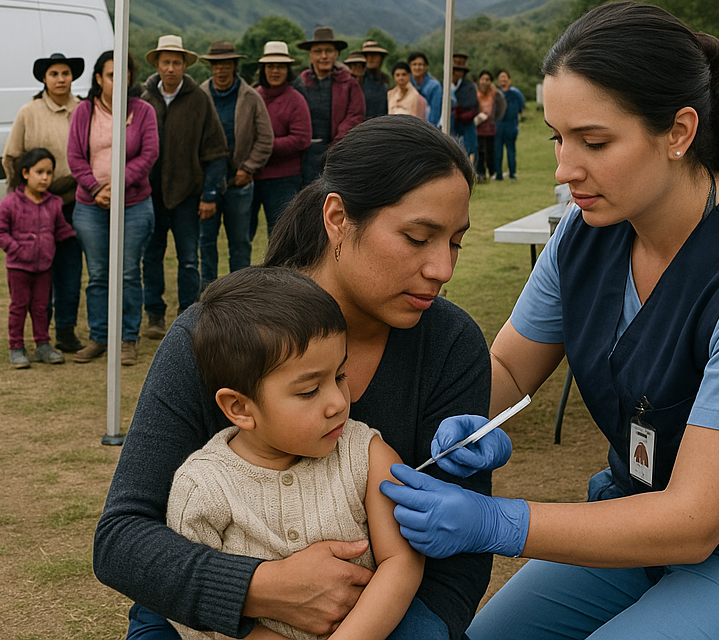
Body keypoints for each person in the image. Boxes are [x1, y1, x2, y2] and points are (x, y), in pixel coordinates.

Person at [381, 1, 719, 640]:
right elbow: (506, 369)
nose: (564, 169)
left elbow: (694, 520)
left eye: (595, 142)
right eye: (558, 137)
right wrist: (454, 425)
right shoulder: (585, 232)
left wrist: (497, 522)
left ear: (679, 132)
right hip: (636, 518)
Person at [93, 116, 493, 640]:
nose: (442, 268)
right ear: (337, 218)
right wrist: (261, 587)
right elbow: (123, 537)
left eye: (456, 242)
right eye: (418, 237)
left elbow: (453, 569)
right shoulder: (216, 334)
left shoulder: (451, 346)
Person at [165, 266, 424, 640]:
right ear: (239, 408)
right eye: (308, 391)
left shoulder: (366, 454)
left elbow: (402, 561)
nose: (337, 402)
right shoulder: (202, 488)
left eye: (340, 376)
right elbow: (193, 607)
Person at [68, 51, 159, 366]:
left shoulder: (143, 111)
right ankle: (99, 337)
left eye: (124, 74)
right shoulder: (83, 112)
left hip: (133, 204)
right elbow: (74, 157)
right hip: (91, 206)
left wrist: (117, 185)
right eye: (110, 75)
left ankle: (128, 339)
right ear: (98, 79)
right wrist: (96, 188)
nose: (117, 80)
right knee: (97, 274)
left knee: (129, 273)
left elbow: (148, 154)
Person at [141, 35, 228, 335]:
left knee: (189, 258)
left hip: (188, 194)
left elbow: (216, 151)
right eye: (166, 62)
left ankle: (187, 316)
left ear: (184, 65)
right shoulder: (144, 99)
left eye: (176, 62)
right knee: (150, 256)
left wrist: (210, 194)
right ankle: (153, 315)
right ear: (157, 64)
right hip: (149, 195)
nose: (171, 68)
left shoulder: (199, 99)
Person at [1, 51, 86, 352]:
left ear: (73, 76)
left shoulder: (84, 109)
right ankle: (42, 336)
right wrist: (22, 198)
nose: (61, 79)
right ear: (44, 79)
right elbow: (11, 156)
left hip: (76, 200)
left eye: (65, 73)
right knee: (37, 272)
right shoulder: (29, 111)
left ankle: (65, 331)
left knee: (70, 269)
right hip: (35, 203)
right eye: (54, 74)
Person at [198, 41, 274, 287]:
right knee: (206, 241)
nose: (221, 70)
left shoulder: (251, 97)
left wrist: (249, 167)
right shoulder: (200, 95)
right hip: (207, 183)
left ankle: (239, 296)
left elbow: (265, 138)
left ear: (234, 65)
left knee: (240, 242)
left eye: (226, 64)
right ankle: (207, 297)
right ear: (210, 67)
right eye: (216, 65)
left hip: (239, 182)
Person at [0, 147, 75, 368]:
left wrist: (81, 237)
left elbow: (61, 231)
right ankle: (16, 347)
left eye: (49, 173)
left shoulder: (54, 204)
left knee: (41, 307)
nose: (45, 178)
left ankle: (43, 346)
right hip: (18, 268)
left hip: (44, 268)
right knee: (19, 306)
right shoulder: (10, 203)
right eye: (40, 172)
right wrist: (16, 249)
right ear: (26, 173)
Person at [252, 41, 312, 237]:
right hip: (252, 176)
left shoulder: (295, 99)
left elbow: (301, 139)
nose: (275, 71)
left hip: (283, 179)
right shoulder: (254, 96)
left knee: (281, 237)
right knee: (243, 236)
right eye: (270, 66)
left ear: (287, 70)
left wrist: (263, 146)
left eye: (280, 66)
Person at [294, 27, 364, 185]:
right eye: (318, 51)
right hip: (303, 154)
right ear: (310, 54)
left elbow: (355, 116)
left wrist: (335, 147)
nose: (323, 56)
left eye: (329, 51)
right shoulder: (300, 83)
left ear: (336, 54)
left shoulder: (349, 84)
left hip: (335, 152)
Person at [493, 70, 525, 181]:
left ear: (509, 79)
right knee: (497, 151)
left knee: (511, 150)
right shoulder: (495, 94)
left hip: (511, 126)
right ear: (498, 81)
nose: (503, 79)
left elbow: (522, 107)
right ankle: (498, 174)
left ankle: (512, 173)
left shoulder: (516, 93)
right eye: (500, 78)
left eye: (504, 77)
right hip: (498, 126)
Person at [473, 71, 505, 183]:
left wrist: (496, 119)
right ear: (479, 80)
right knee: (479, 152)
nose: (485, 82)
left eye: (487, 79)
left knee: (491, 151)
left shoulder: (495, 94)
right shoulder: (475, 93)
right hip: (478, 127)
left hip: (491, 128)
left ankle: (492, 172)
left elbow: (502, 107)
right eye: (483, 79)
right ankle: (480, 173)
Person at [449, 55, 478, 165]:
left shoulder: (469, 86)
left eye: (461, 70)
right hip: (450, 123)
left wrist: (457, 108)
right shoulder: (444, 84)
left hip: (466, 123)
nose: (458, 73)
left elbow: (471, 103)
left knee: (469, 149)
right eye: (456, 70)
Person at [408, 51, 443, 129]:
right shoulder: (406, 83)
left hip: (427, 128)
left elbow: (435, 112)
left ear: (426, 67)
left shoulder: (434, 86)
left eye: (420, 64)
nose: (417, 68)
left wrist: (430, 130)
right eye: (414, 64)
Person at [360, 40, 390, 120]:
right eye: (367, 56)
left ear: (381, 58)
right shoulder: (359, 79)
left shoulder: (385, 80)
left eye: (374, 55)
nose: (370, 59)